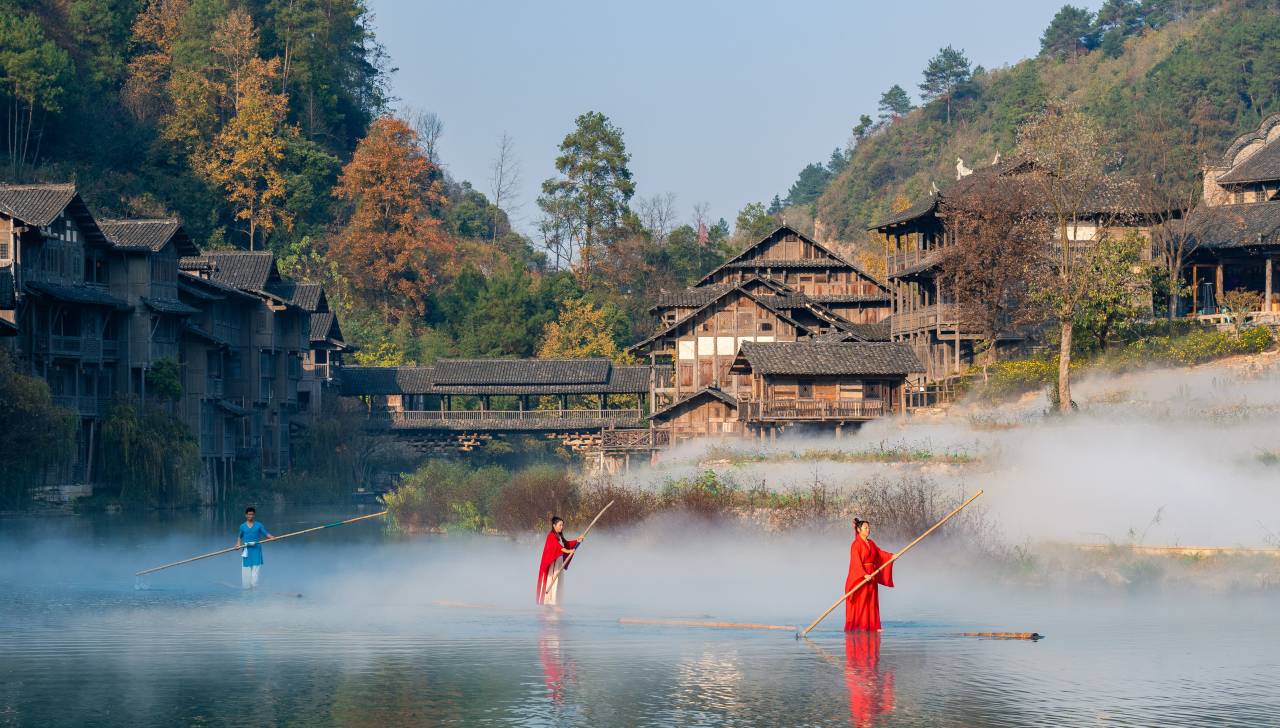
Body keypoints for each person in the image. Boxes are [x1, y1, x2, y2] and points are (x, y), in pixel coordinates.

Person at [844, 517, 894, 631]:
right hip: (861, 576)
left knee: (872, 600)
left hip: (872, 574)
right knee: (862, 601)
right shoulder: (856, 544)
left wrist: (891, 556)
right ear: (858, 530)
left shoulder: (871, 543)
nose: (868, 530)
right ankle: (860, 625)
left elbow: (879, 554)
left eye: (868, 528)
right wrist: (863, 574)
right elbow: (855, 561)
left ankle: (873, 625)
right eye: (865, 528)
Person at [536, 516, 581, 606]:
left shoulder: (559, 536)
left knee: (559, 583)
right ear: (554, 525)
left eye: (562, 525)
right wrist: (568, 551)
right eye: (560, 525)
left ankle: (556, 602)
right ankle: (549, 602)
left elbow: (567, 544)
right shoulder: (551, 536)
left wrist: (577, 540)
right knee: (553, 582)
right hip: (553, 565)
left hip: (559, 563)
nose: (562, 527)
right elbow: (557, 547)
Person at [236, 507, 272, 589]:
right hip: (246, 550)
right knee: (246, 570)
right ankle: (246, 588)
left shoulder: (259, 525)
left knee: (255, 570)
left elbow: (266, 533)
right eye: (249, 514)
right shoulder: (242, 526)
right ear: (246, 515)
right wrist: (238, 544)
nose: (250, 516)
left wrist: (272, 537)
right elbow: (239, 536)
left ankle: (254, 588)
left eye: (252, 514)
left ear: (254, 515)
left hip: (256, 549)